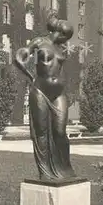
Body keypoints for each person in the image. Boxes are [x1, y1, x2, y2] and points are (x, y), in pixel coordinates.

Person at [14, 16, 76, 180]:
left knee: (60, 131)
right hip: (41, 91)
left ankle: (65, 168)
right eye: (66, 36)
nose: (65, 40)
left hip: (58, 93)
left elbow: (57, 70)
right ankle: (45, 172)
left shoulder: (61, 49)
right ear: (60, 32)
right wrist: (30, 76)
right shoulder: (39, 42)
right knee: (41, 132)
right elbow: (19, 57)